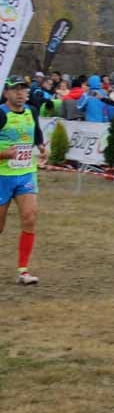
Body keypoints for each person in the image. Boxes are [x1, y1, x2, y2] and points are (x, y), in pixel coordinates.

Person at [0, 78, 48, 285]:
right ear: (6, 94)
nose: (21, 93)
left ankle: (23, 271)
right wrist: (2, 154)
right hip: (2, 176)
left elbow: (36, 133)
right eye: (15, 90)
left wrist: (42, 147)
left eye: (24, 90)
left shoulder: (32, 111)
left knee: (30, 217)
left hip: (26, 173)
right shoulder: (1, 114)